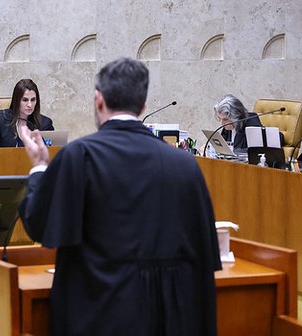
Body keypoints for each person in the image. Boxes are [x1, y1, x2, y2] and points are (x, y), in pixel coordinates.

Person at [18, 57, 221, 336]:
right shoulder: (185, 166)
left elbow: (38, 225)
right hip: (170, 322)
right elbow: (205, 260)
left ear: (98, 100)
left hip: (99, 318)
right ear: (143, 106)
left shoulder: (79, 157)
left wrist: (40, 166)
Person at [0, 78, 54, 148]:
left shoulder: (45, 123)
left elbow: (52, 152)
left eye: (33, 100)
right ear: (16, 101)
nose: (29, 105)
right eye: (25, 100)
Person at [213, 94, 282, 151]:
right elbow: (223, 148)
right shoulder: (227, 126)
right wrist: (211, 148)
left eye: (225, 119)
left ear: (236, 115)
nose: (222, 123)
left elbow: (275, 139)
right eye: (220, 119)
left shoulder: (251, 122)